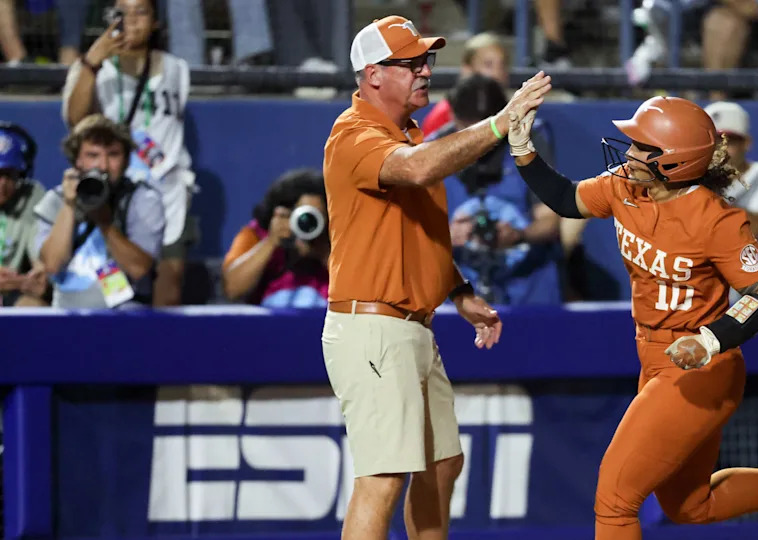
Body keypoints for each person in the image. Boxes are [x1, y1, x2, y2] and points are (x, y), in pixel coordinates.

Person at [506, 96, 758, 538]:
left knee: (615, 499)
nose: (627, 153)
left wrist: (709, 339)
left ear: (673, 163)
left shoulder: (716, 220)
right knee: (691, 507)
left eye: (641, 147)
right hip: (653, 357)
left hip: (702, 366)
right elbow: (568, 200)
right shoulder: (624, 187)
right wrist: (522, 149)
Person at [320, 15, 550, 540]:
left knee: (442, 465)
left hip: (413, 326)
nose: (426, 70)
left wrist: (459, 291)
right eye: (412, 62)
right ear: (374, 75)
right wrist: (500, 121)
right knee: (381, 479)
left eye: (427, 60)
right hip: (373, 328)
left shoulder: (409, 133)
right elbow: (419, 168)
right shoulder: (353, 135)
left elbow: (418, 232)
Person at [62, 0, 196, 306]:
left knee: (169, 282)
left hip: (169, 189)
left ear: (156, 21)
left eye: (141, 12)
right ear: (111, 18)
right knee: (112, 285)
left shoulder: (177, 68)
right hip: (117, 190)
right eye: (123, 11)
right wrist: (92, 62)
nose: (132, 20)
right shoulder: (93, 69)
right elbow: (75, 120)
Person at [435, 74, 561, 304]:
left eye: (484, 133)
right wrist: (445, 237)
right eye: (467, 130)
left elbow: (550, 222)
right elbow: (411, 238)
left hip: (528, 294)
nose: (476, 144)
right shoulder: (431, 152)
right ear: (453, 116)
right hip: (457, 298)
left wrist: (519, 235)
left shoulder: (531, 143)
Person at [34, 114, 165, 309]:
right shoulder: (56, 200)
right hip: (66, 312)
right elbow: (52, 265)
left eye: (113, 154)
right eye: (93, 155)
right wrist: (70, 206)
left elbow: (139, 269)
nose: (103, 166)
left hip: (124, 311)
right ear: (78, 160)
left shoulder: (142, 199)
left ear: (127, 160)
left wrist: (104, 223)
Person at [704, 101, 758, 290]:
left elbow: (754, 226)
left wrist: (702, 195)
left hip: (755, 296)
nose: (720, 150)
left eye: (729, 141)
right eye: (714, 141)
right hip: (706, 294)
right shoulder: (695, 181)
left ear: (746, 144)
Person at [222, 168, 329, 308]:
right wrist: (271, 242)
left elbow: (362, 290)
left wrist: (323, 254)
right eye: (301, 216)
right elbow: (232, 290)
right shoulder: (255, 235)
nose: (307, 222)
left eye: (316, 215)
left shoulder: (336, 239)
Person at [421, 32, 510, 137]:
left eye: (502, 65)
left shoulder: (509, 108)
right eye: (488, 65)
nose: (497, 73)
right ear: (467, 69)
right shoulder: (443, 114)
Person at [0, 123, 48, 306]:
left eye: (9, 175)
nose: (2, 184)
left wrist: (39, 275)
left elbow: (41, 263)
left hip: (11, 292)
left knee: (36, 308)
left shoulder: (31, 195)